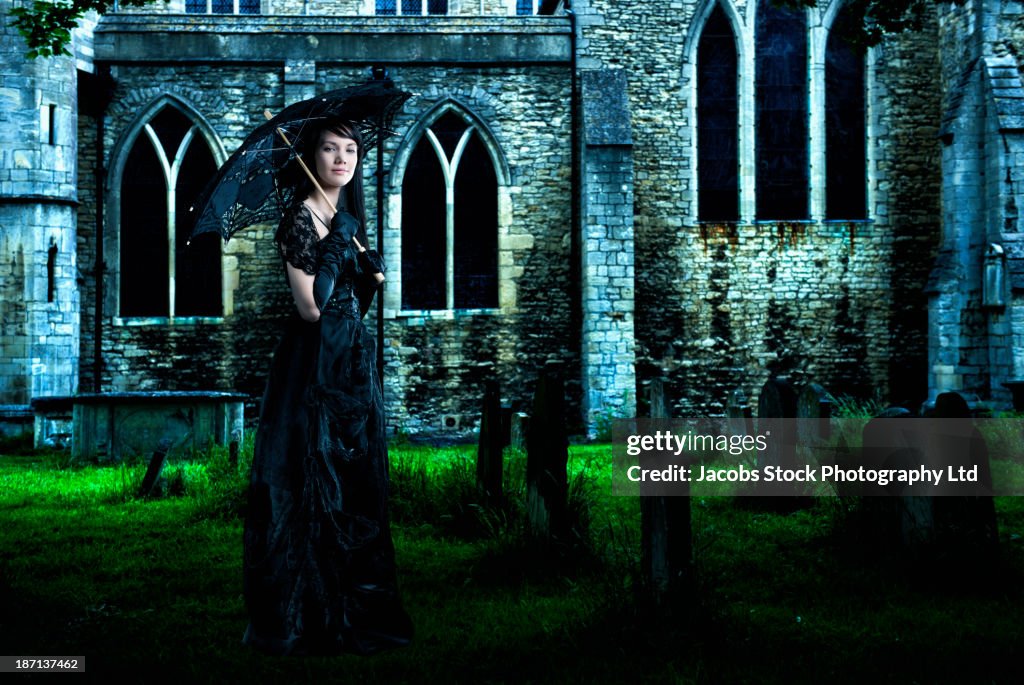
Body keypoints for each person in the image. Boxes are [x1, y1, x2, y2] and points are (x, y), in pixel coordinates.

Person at [242, 118, 413, 656]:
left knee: (354, 485)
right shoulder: (300, 219)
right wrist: (340, 245)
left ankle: (351, 608)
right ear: (310, 158)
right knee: (313, 482)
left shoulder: (342, 218)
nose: (342, 159)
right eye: (330, 149)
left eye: (351, 149)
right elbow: (312, 307)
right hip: (312, 370)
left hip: (350, 365)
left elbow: (346, 308)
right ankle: (308, 617)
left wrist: (369, 274)